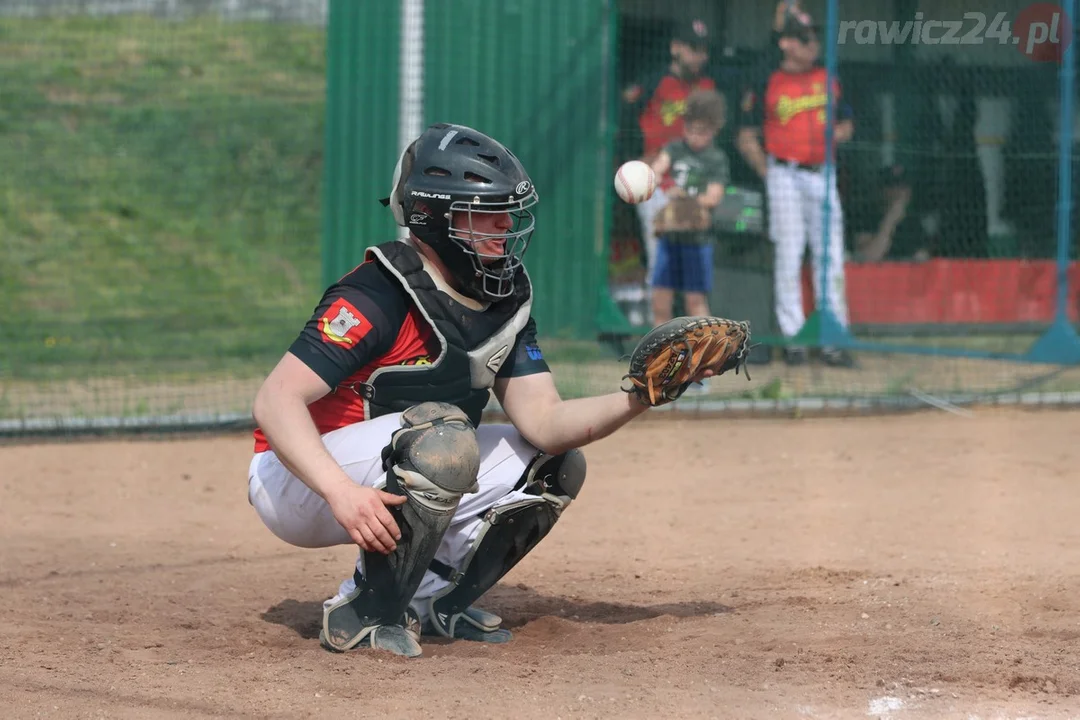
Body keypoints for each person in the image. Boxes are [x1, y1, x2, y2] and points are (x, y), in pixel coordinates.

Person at [246, 123, 717, 659]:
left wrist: (641, 394)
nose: (504, 225)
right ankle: (365, 609)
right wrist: (339, 492)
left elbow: (545, 422)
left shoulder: (503, 297)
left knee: (552, 463)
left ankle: (431, 600)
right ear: (436, 220)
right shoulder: (380, 292)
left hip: (392, 464)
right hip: (297, 480)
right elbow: (274, 400)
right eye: (482, 213)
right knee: (443, 439)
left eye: (507, 211)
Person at [736, 10, 856, 368]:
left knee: (830, 255)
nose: (813, 45)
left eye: (814, 38)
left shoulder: (829, 74)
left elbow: (848, 124)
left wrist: (832, 136)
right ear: (786, 43)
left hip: (822, 172)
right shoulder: (766, 78)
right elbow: (745, 135)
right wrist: (767, 171)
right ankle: (794, 341)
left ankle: (833, 340)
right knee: (788, 255)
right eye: (804, 38)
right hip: (784, 173)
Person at [622, 17, 716, 300]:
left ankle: (684, 330)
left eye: (702, 49)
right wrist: (634, 159)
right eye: (692, 48)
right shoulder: (654, 81)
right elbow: (624, 121)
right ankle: (659, 335)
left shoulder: (708, 87)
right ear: (676, 47)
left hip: (692, 186)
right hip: (655, 184)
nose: (699, 56)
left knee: (689, 264)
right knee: (660, 260)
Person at [649, 88, 729, 325]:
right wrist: (650, 179)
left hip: (697, 239)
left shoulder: (716, 159)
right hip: (671, 235)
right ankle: (658, 355)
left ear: (714, 130)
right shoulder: (675, 149)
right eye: (690, 129)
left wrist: (686, 200)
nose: (694, 136)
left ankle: (706, 354)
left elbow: (714, 196)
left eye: (701, 132)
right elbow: (658, 168)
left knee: (694, 301)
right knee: (660, 299)